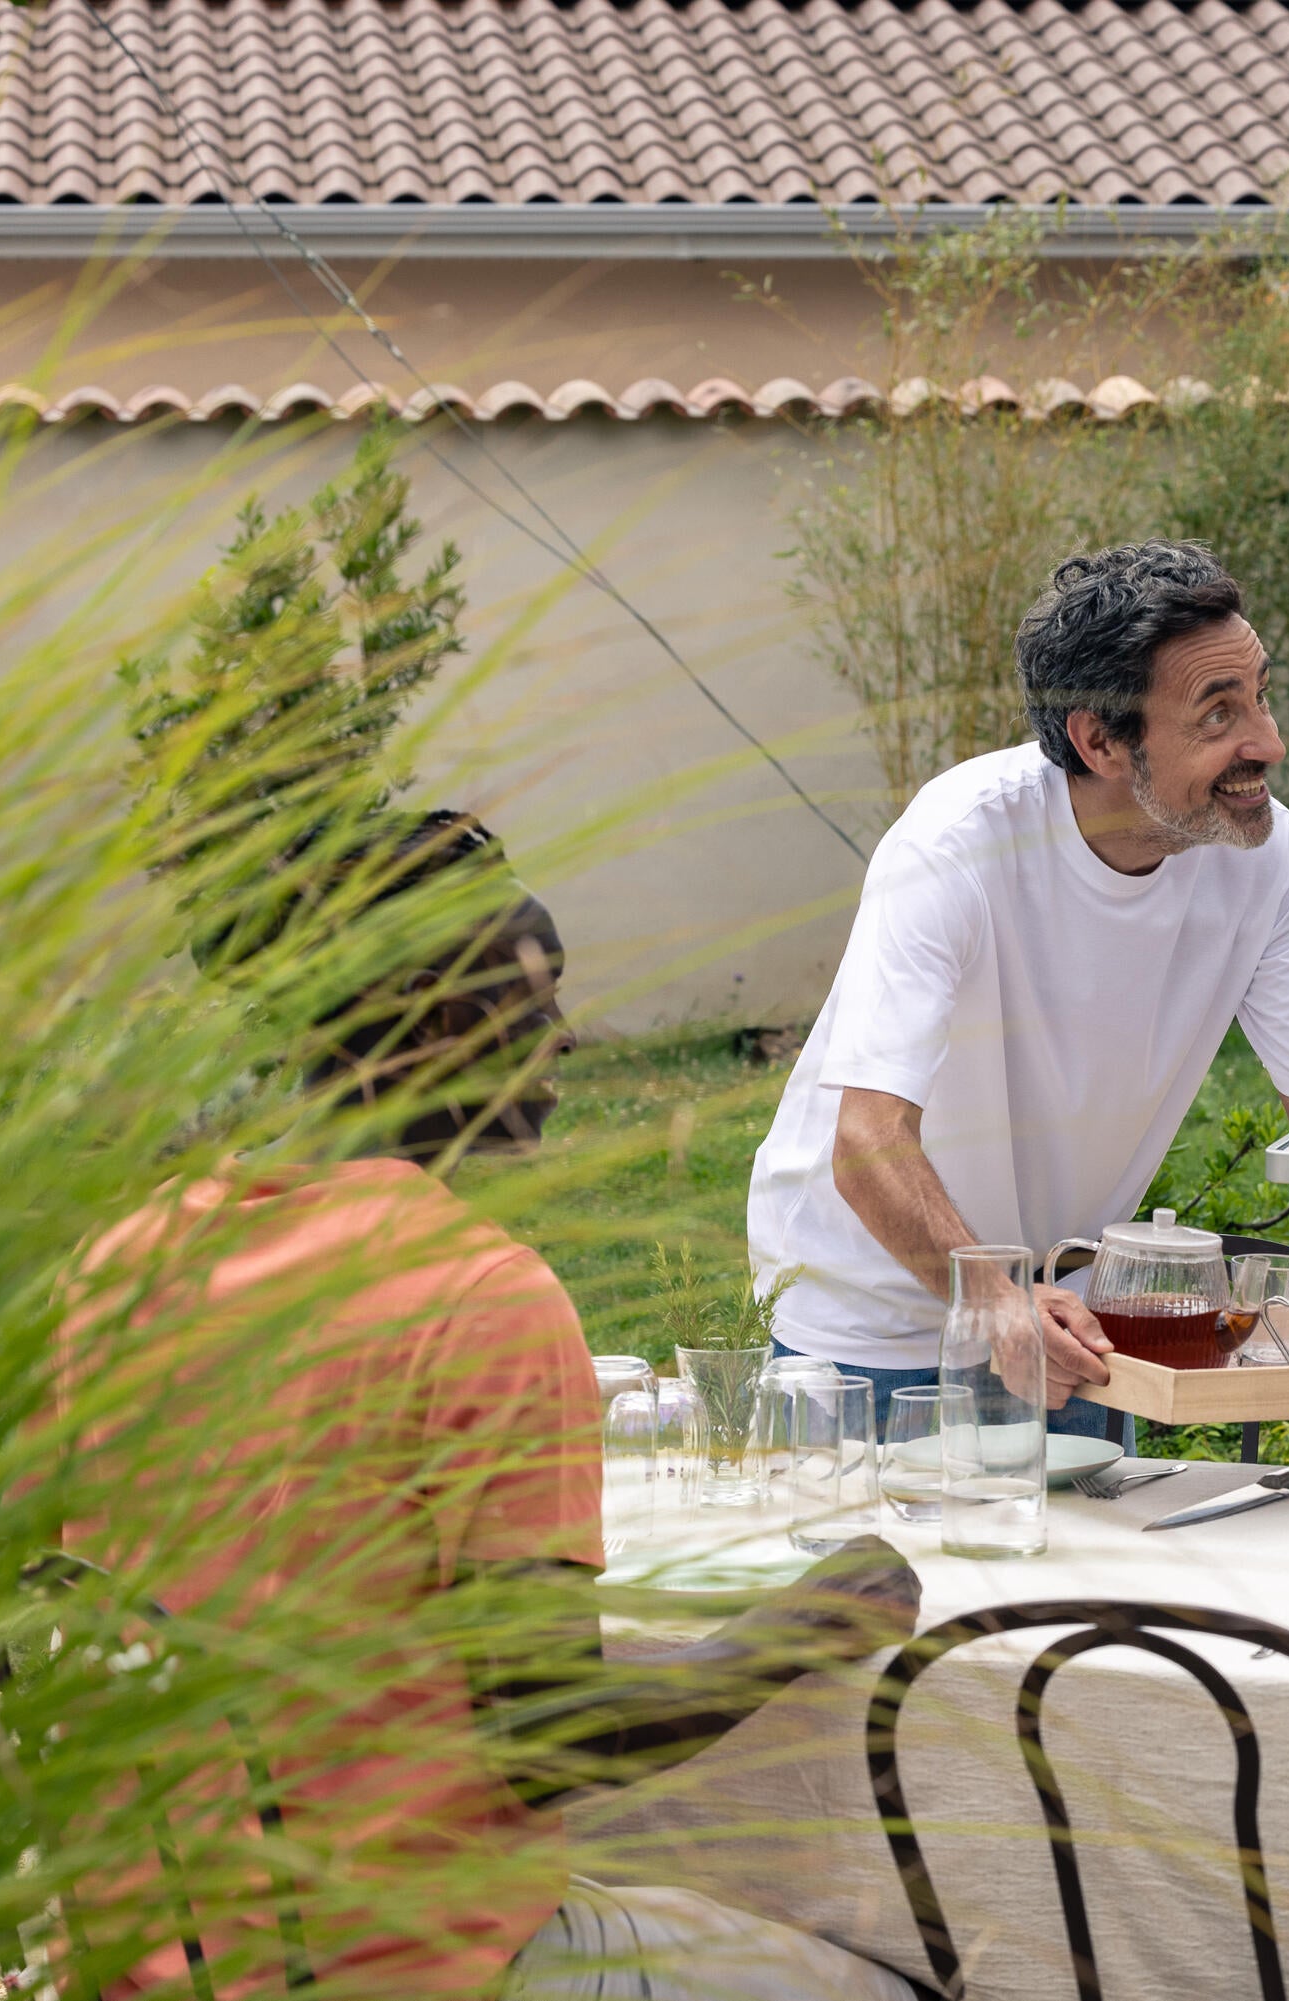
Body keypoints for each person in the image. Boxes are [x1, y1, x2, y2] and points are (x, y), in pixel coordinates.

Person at [62, 812, 923, 2001]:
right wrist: (796, 1627)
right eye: (542, 992)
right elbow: (550, 1736)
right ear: (441, 1011)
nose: (563, 1037)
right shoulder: (475, 1295)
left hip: (163, 1953)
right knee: (895, 1974)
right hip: (406, 1969)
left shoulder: (124, 1257)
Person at [748, 541, 1289, 1411]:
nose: (1271, 741)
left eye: (1259, 696)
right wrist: (996, 1303)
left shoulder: (1265, 856)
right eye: (1218, 717)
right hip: (870, 1328)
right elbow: (867, 1141)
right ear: (1100, 740)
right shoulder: (955, 846)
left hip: (1066, 1316)